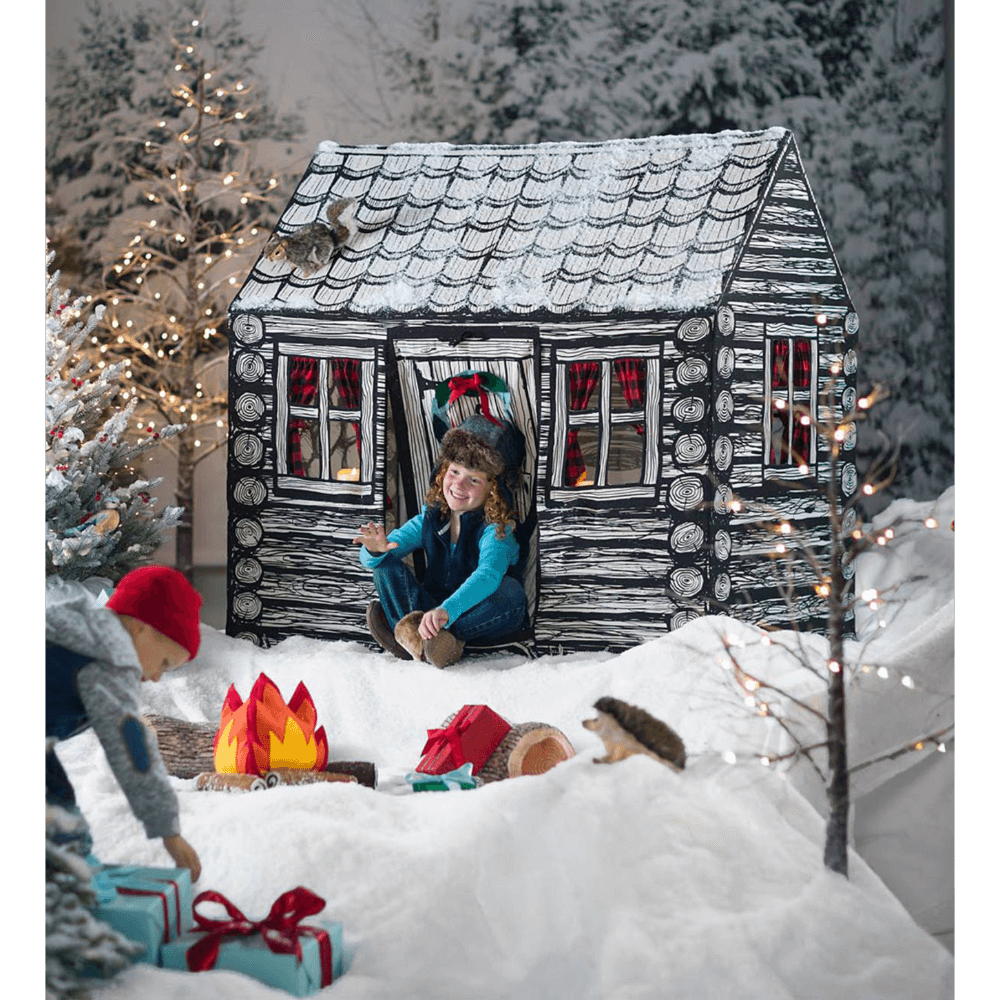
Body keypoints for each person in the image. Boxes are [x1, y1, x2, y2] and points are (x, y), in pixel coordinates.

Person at [45, 565, 204, 881]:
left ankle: (71, 873)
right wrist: (169, 833)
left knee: (59, 801)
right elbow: (132, 750)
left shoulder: (77, 629)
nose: (156, 677)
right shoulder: (110, 660)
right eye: (164, 662)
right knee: (58, 817)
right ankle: (69, 889)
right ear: (141, 628)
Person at [354, 413, 528, 667]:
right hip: (433, 611)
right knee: (385, 566)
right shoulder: (431, 517)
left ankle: (426, 638)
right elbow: (384, 551)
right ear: (443, 472)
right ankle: (421, 639)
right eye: (455, 471)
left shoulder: (499, 529)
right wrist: (375, 551)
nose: (459, 483)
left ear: (493, 489)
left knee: (510, 593)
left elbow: (487, 575)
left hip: (474, 610)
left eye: (474, 479)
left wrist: (447, 612)